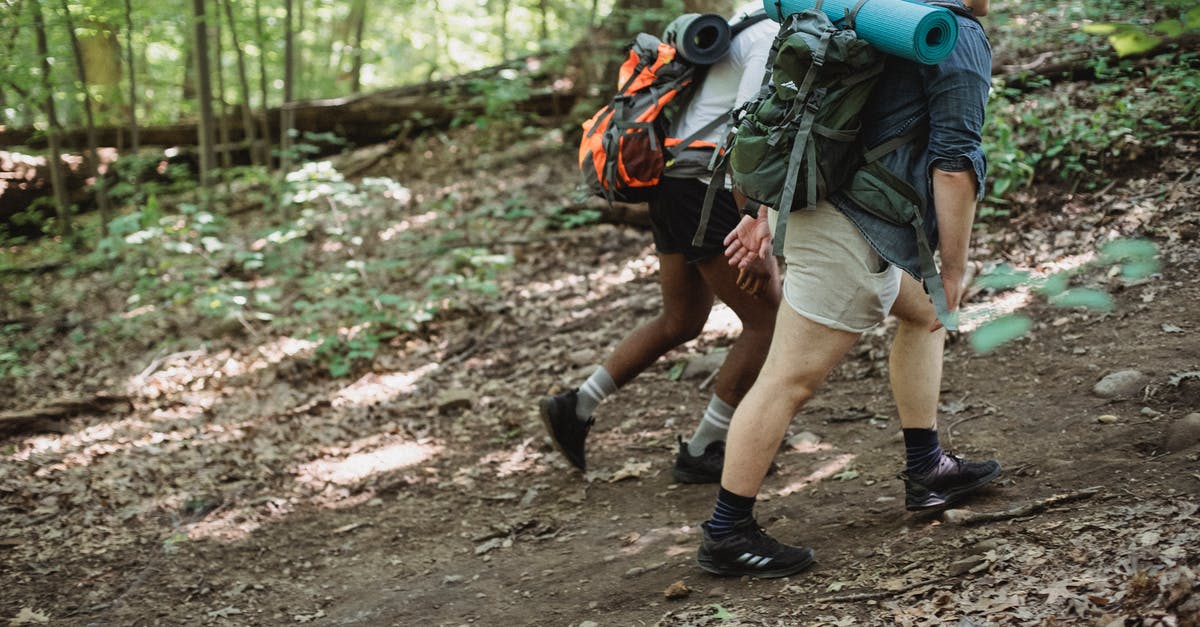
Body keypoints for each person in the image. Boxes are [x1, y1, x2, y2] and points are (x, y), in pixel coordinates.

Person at [695, 0, 1001, 578]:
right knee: (788, 380)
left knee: (924, 314)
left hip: (831, 212)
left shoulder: (882, 17)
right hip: (853, 235)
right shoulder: (951, 35)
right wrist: (954, 271)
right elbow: (954, 164)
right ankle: (726, 532)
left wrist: (766, 209)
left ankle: (927, 465)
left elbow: (811, 111)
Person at [540, 5, 781, 484]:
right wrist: (755, 218)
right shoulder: (771, 33)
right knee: (768, 321)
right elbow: (747, 129)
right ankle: (707, 446)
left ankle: (577, 404)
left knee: (681, 319)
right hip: (704, 187)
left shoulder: (746, 14)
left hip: (671, 180)